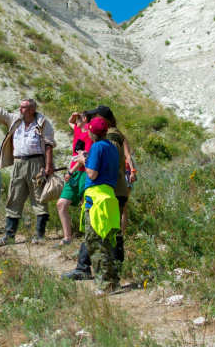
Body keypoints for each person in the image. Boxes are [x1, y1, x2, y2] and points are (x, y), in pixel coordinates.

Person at [0, 92, 56, 245]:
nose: (20, 109)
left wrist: (48, 166)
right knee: (14, 196)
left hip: (36, 162)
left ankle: (39, 235)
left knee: (39, 197)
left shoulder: (43, 123)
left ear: (32, 109)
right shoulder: (14, 120)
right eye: (20, 107)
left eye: (24, 107)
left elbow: (48, 144)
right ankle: (9, 236)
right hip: (19, 163)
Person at [62, 105, 136, 280]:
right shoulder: (116, 135)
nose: (93, 120)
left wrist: (85, 160)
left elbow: (101, 166)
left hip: (109, 189)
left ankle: (96, 270)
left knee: (99, 231)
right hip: (115, 188)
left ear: (104, 119)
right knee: (104, 231)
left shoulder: (110, 137)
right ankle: (108, 269)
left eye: (95, 116)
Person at [74, 117, 120, 295]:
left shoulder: (96, 147)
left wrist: (84, 160)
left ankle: (105, 284)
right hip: (109, 196)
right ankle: (112, 281)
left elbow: (92, 174)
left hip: (96, 198)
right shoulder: (111, 147)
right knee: (105, 241)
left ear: (92, 133)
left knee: (95, 242)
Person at [55, 111, 93, 247]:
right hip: (74, 171)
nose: (76, 120)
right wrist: (72, 115)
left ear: (85, 119)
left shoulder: (89, 134)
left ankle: (89, 237)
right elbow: (70, 121)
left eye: (79, 118)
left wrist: (70, 172)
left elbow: (84, 158)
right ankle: (67, 237)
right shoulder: (78, 129)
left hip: (83, 172)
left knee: (85, 204)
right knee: (61, 204)